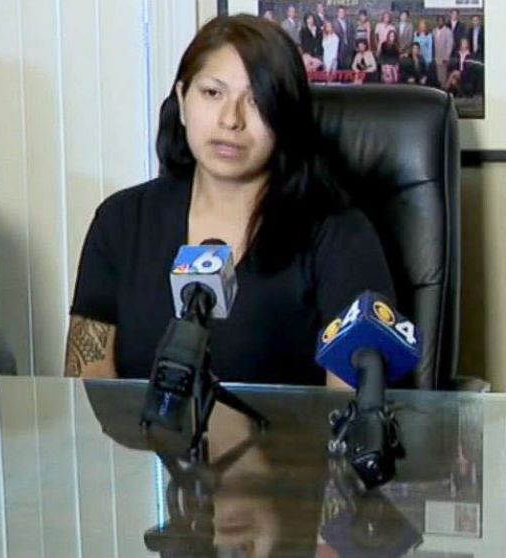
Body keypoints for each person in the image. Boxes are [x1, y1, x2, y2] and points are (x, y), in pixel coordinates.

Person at [65, 15, 394, 385]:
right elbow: (87, 383)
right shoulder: (121, 222)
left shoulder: (339, 235)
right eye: (212, 93)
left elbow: (351, 404)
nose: (230, 119)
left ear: (285, 116)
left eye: (255, 100)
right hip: (140, 444)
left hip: (290, 445)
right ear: (182, 100)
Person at [434, 16, 454, 88]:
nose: (440, 22)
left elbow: (450, 45)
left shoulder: (448, 31)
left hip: (444, 58)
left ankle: (444, 90)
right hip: (436, 57)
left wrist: (446, 57)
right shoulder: (434, 31)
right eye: (438, 21)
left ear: (444, 22)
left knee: (443, 75)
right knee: (437, 75)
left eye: (441, 21)